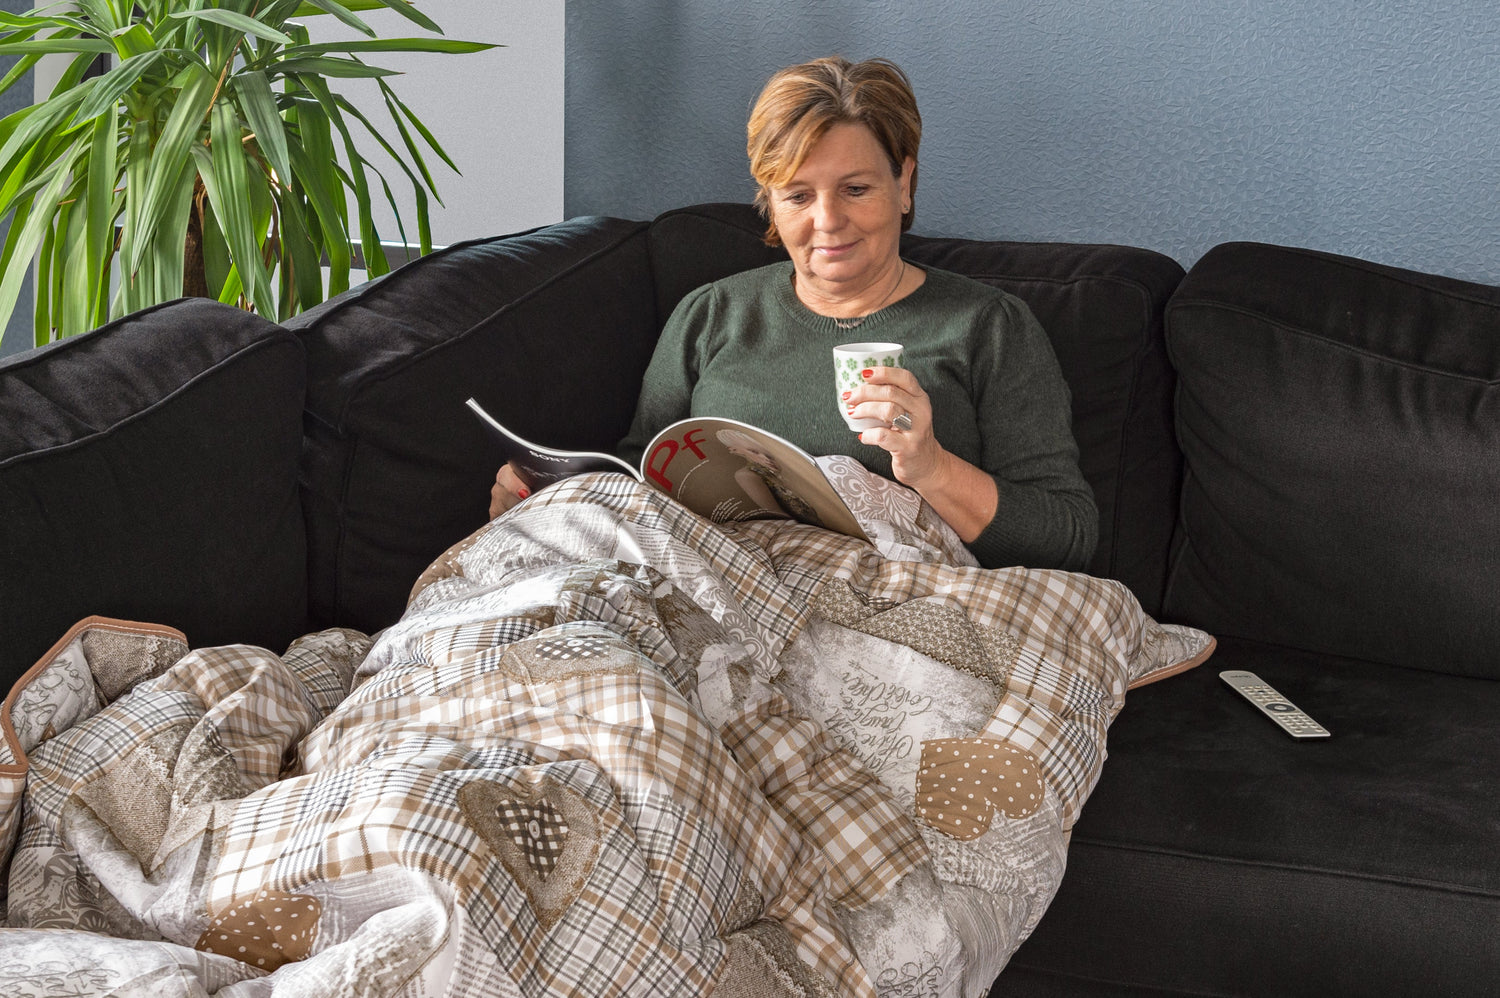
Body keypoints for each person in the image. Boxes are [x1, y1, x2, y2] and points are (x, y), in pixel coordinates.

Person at [492, 55, 1097, 571]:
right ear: (770, 202)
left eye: (856, 189)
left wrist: (931, 466)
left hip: (888, 608)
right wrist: (546, 495)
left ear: (905, 182)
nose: (827, 221)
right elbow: (640, 476)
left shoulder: (988, 325)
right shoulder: (712, 314)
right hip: (708, 586)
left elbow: (1068, 536)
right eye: (799, 196)